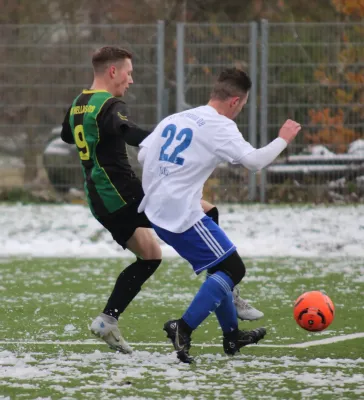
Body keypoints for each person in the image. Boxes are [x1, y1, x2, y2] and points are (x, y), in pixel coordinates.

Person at [60, 47, 263, 355]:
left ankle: (107, 319)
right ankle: (226, 287)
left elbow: (66, 135)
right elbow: (127, 131)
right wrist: (163, 135)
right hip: (123, 194)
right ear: (112, 71)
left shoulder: (79, 103)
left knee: (151, 254)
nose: (130, 79)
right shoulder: (109, 104)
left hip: (99, 199)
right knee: (205, 213)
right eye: (128, 72)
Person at [138, 67, 301, 363]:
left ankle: (232, 336)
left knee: (221, 269)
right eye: (243, 106)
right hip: (180, 214)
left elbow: (142, 155)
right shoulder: (220, 125)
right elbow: (253, 162)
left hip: (157, 209)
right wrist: (283, 139)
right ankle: (182, 328)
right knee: (233, 269)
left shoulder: (176, 117)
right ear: (235, 101)